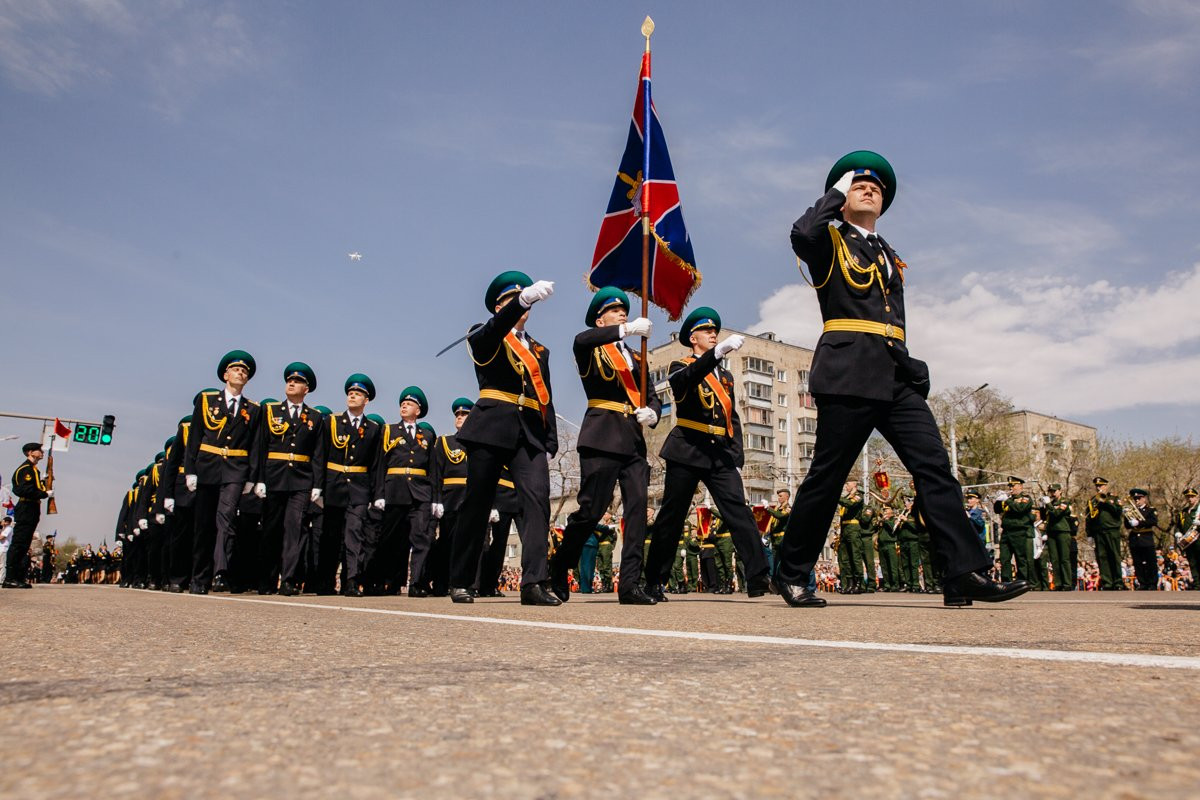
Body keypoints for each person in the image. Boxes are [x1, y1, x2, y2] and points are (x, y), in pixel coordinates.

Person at [776, 152, 1026, 608]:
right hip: (849, 372)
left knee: (934, 468)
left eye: (877, 187)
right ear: (841, 196)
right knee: (827, 479)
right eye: (859, 184)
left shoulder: (887, 252)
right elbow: (801, 233)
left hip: (896, 375)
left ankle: (962, 573)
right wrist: (835, 192)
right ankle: (792, 572)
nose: (870, 189)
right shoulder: (829, 242)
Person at [642, 307, 773, 600]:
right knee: (672, 516)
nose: (714, 334)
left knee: (738, 511)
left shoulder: (725, 376)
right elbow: (684, 381)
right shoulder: (679, 365)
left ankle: (758, 576)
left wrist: (736, 457)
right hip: (688, 447)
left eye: (716, 330)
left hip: (719, 453)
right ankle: (654, 580)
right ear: (693, 338)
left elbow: (732, 417)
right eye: (707, 331)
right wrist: (714, 355)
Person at [446, 271, 561, 606]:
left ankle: (534, 582)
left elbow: (545, 395)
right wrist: (522, 300)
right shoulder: (483, 333)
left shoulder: (539, 349)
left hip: (529, 430)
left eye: (522, 298)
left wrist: (550, 437)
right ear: (498, 306)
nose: (519, 304)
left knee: (537, 502)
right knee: (477, 503)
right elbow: (489, 338)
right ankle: (462, 579)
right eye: (511, 300)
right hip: (492, 424)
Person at [549, 287, 660, 604]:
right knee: (591, 510)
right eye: (614, 311)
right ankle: (559, 565)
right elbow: (580, 341)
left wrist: (653, 412)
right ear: (600, 321)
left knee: (637, 510)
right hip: (602, 436)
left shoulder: (637, 357)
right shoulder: (591, 348)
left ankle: (629, 585)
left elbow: (650, 393)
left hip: (633, 441)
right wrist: (626, 329)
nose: (622, 313)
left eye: (624, 311)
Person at [184, 351, 262, 594]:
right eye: (236, 370)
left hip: (235, 470)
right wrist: (190, 470)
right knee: (204, 524)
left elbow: (255, 446)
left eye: (244, 372)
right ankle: (200, 577)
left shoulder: (253, 409)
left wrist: (252, 477)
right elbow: (194, 437)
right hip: (207, 466)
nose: (240, 373)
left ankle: (220, 572)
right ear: (225, 375)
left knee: (226, 519)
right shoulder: (207, 402)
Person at [255, 364, 325, 596]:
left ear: (306, 389)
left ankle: (288, 579)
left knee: (295, 531)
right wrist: (259, 478)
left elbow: (318, 454)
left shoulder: (315, 417)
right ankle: (265, 580)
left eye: (297, 381)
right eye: (289, 380)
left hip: (301, 480)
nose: (291, 383)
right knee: (271, 529)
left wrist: (317, 484)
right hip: (274, 476)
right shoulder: (271, 411)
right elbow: (261, 446)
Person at [318, 374, 382, 597]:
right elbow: (321, 455)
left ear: (367, 400)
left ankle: (351, 581)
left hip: (359, 488)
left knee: (354, 535)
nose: (352, 395)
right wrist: (318, 486)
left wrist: (376, 493)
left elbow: (375, 465)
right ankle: (325, 582)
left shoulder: (373, 429)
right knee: (330, 535)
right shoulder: (332, 422)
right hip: (333, 484)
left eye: (358, 394)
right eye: (350, 393)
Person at [374, 386, 435, 595]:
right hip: (395, 490)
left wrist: (435, 499)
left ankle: (416, 583)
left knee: (421, 538)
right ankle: (387, 581)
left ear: (418, 411)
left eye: (409, 404)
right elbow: (380, 464)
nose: (404, 406)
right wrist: (379, 493)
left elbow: (432, 469)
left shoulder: (426, 435)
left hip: (420, 492)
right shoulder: (389, 431)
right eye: (402, 403)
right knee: (391, 539)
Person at [4, 443, 51, 589]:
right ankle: (10, 578)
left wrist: (44, 482)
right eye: (39, 450)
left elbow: (33, 487)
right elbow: (23, 489)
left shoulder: (34, 470)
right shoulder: (25, 469)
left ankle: (18, 577)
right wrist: (44, 493)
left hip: (32, 507)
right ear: (30, 452)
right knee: (19, 543)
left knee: (24, 544)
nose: (42, 452)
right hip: (26, 507)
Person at [994, 477, 1036, 588]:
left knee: (1021, 557)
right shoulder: (1009, 499)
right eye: (1010, 486)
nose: (1011, 488)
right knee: (1004, 557)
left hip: (1019, 531)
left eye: (1013, 486)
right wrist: (998, 500)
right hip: (1007, 531)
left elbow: (1020, 509)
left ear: (1020, 486)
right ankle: (1006, 581)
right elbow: (997, 510)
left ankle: (1023, 580)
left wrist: (1007, 501)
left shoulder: (1025, 498)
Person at [1085, 477, 1125, 590]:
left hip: (1112, 530)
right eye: (1097, 486)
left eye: (1101, 485)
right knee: (1102, 557)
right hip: (1099, 532)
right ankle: (1107, 582)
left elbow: (1118, 512)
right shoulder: (1092, 500)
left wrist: (1105, 502)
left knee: (1114, 555)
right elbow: (1089, 519)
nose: (1099, 488)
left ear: (1106, 486)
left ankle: (1118, 582)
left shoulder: (1113, 498)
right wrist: (1089, 534)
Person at [1041, 484, 1076, 591]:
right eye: (1051, 491)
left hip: (1062, 531)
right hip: (1051, 532)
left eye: (1054, 491)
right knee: (1054, 559)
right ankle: (1058, 583)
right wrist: (1043, 506)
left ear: (1060, 491)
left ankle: (1067, 583)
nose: (1052, 493)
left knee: (1064, 558)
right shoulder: (1051, 503)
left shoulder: (1064, 501)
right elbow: (1044, 517)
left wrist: (1048, 505)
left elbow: (1057, 513)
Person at [1124, 488, 1158, 590]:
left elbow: (1153, 521)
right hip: (1135, 539)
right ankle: (1142, 583)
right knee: (1138, 562)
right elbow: (1127, 526)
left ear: (1144, 499)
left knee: (1150, 562)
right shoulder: (1131, 511)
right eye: (1135, 499)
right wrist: (1128, 519)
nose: (1136, 501)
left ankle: (1152, 583)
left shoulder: (1151, 510)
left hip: (1146, 538)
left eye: (1139, 498)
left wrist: (1139, 523)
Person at [1172, 488, 1200, 589]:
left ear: (1197, 497)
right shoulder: (1183, 512)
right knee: (1192, 563)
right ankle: (1197, 584)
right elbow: (1178, 526)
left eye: (1192, 496)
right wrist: (1177, 533)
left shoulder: (1198, 511)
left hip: (1198, 540)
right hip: (1188, 542)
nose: (1190, 499)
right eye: (1188, 497)